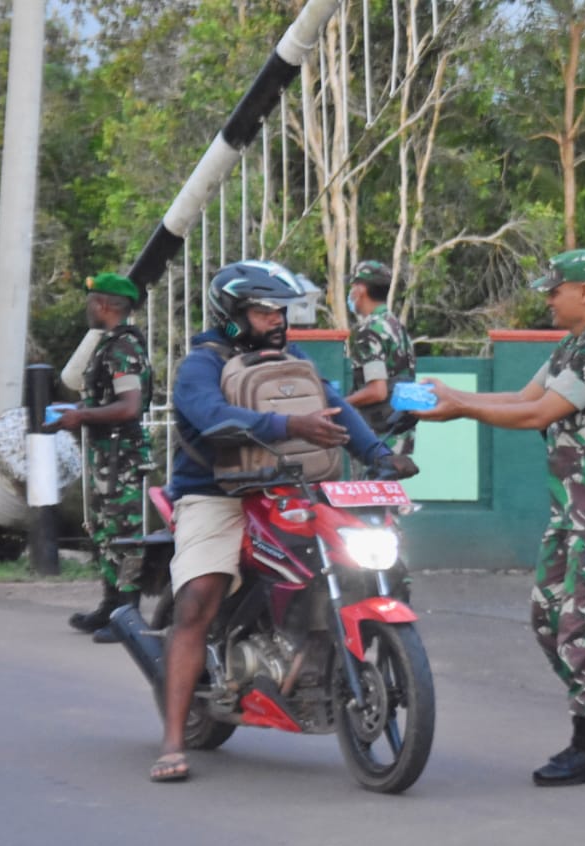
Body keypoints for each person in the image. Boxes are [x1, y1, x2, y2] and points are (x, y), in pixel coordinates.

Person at [152, 260, 414, 783]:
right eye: (262, 310)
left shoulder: (290, 358)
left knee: (356, 557)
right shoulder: (201, 364)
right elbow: (210, 417)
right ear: (232, 313)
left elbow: (334, 405)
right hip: (216, 494)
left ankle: (317, 653)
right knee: (200, 597)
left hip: (291, 488)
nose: (276, 320)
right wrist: (290, 424)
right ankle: (173, 740)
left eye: (279, 310)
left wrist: (380, 453)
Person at [418, 249, 585, 787]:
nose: (547, 298)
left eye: (554, 289)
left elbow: (539, 415)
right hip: (570, 510)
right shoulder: (571, 345)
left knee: (581, 627)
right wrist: (455, 397)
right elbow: (524, 396)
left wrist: (462, 409)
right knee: (548, 620)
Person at [52, 273, 154, 644]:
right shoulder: (110, 345)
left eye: (92, 300)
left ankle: (127, 615)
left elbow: (129, 407)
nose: (88, 307)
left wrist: (82, 416)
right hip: (107, 454)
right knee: (103, 530)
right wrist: (76, 409)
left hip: (121, 457)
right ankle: (110, 606)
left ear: (106, 305)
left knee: (124, 535)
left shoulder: (123, 348)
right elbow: (108, 401)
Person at [343, 260, 418, 458]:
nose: (350, 293)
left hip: (377, 439)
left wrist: (341, 405)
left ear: (360, 289)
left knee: (369, 489)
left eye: (352, 286)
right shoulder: (396, 326)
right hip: (401, 435)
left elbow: (377, 391)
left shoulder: (369, 330)